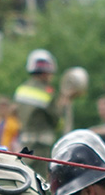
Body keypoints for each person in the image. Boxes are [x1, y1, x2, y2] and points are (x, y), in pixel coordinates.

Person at [13, 49, 67, 178]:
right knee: (41, 182)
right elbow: (57, 122)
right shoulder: (47, 93)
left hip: (24, 145)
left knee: (24, 179)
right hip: (41, 148)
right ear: (46, 72)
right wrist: (63, 105)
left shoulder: (21, 90)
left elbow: (16, 114)